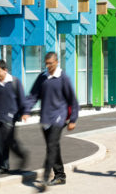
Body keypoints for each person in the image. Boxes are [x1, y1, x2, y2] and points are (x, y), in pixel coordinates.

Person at [23, 51, 79, 190]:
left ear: (57, 62)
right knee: (53, 147)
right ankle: (60, 176)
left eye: (51, 63)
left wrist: (73, 119)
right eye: (46, 63)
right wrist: (26, 111)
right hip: (45, 118)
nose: (48, 66)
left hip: (59, 117)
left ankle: (46, 178)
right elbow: (33, 96)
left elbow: (73, 100)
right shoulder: (42, 77)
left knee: (51, 147)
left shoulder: (63, 78)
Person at [0, 59, 28, 175]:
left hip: (10, 117)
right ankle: (2, 166)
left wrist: (24, 112)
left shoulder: (15, 82)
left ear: (5, 70)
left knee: (9, 142)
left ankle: (21, 155)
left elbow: (22, 99)